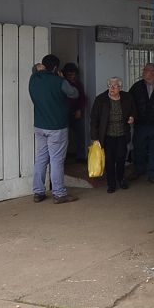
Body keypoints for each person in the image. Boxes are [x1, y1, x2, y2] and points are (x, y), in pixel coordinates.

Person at [29, 54, 80, 204]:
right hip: (57, 127)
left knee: (41, 158)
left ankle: (38, 192)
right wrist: (62, 78)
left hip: (40, 126)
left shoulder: (34, 78)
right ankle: (59, 193)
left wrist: (37, 68)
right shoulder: (59, 81)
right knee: (56, 160)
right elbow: (74, 93)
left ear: (43, 66)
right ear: (57, 68)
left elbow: (34, 70)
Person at [90, 77, 137, 193]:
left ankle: (121, 179)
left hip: (122, 134)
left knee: (121, 158)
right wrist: (95, 137)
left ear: (120, 87)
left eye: (115, 86)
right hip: (107, 135)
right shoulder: (101, 99)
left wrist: (132, 117)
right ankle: (111, 183)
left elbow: (134, 110)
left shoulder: (127, 97)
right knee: (109, 160)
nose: (111, 88)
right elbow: (94, 119)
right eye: (110, 85)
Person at [129, 63, 154, 183]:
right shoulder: (137, 86)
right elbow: (130, 102)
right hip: (140, 124)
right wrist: (131, 116)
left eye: (148, 70)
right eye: (145, 70)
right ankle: (138, 169)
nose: (145, 72)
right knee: (139, 148)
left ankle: (153, 173)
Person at [62, 62, 87, 163]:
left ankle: (81, 157)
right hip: (64, 114)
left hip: (76, 112)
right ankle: (62, 159)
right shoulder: (62, 84)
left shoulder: (78, 84)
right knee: (63, 137)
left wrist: (79, 109)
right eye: (69, 75)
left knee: (81, 135)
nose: (72, 77)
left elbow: (82, 98)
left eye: (74, 75)